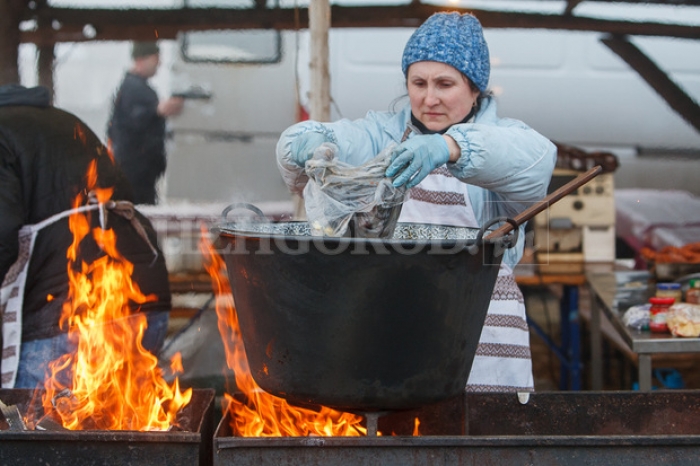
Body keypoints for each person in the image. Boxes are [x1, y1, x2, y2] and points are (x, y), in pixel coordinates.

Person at [276, 12, 557, 393]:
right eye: (418, 82)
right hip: (396, 336)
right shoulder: (382, 135)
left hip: (482, 344)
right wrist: (306, 144)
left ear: (475, 89)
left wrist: (450, 147)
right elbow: (317, 139)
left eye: (445, 84)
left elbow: (536, 160)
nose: (429, 98)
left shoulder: (504, 138)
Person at [0, 84, 172, 389]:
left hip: (67, 321)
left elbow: (2, 236)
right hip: (144, 300)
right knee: (128, 432)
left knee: (41, 434)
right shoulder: (64, 121)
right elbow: (123, 191)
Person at [107, 41, 184, 205]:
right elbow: (133, 119)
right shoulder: (133, 87)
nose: (159, 63)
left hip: (140, 170)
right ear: (141, 60)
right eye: (156, 58)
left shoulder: (135, 86)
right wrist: (156, 110)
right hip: (135, 170)